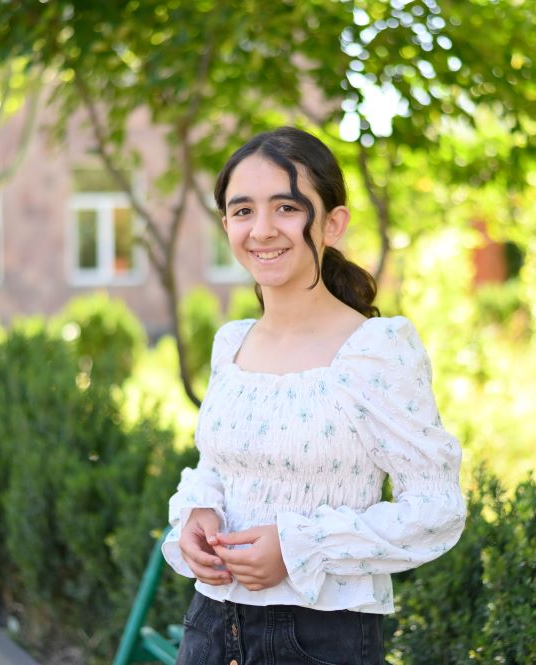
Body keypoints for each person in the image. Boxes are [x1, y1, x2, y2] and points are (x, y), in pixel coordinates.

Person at [162, 126, 465, 665]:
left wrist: (299, 548)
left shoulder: (375, 351)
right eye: (242, 210)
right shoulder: (232, 344)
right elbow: (217, 466)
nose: (262, 230)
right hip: (208, 629)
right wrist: (198, 512)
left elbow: (437, 508)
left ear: (333, 222)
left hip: (318, 640)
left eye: (286, 207)